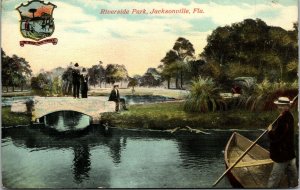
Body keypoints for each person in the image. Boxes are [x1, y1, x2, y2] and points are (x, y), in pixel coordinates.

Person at [267, 96, 298, 188]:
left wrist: (270, 131)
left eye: (283, 105)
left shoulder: (283, 119)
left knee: (274, 177)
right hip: (290, 153)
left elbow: (276, 138)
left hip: (281, 154)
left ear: (288, 106)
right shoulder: (289, 116)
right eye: (279, 105)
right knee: (293, 175)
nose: (279, 107)